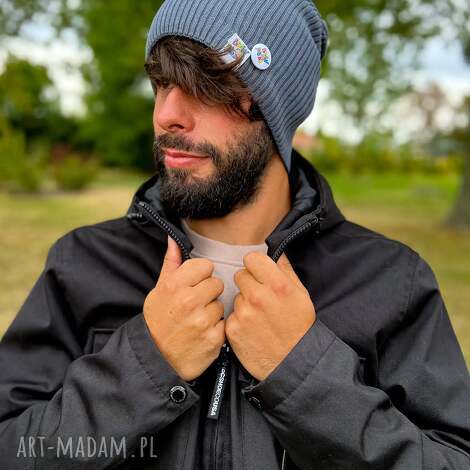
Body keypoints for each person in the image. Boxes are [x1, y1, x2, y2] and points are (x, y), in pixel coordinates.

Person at [0, 0, 469, 468]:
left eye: (204, 85)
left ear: (275, 108)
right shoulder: (84, 264)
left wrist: (302, 376)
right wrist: (144, 367)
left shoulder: (390, 283)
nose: (167, 114)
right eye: (161, 83)